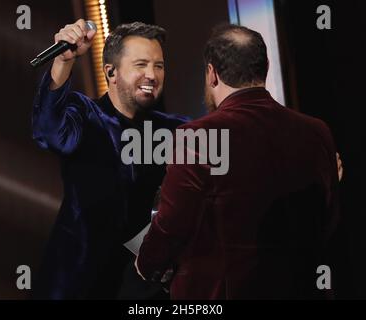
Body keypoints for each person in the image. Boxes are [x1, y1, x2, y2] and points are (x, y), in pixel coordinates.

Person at [135, 24, 340, 299]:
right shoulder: (318, 131)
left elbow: (171, 225)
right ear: (265, 67)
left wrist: (146, 263)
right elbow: (327, 223)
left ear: (212, 74)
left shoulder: (198, 137)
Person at [31, 19, 187, 299]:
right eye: (141, 65)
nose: (152, 75)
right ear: (111, 72)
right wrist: (63, 62)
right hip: (75, 285)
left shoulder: (173, 130)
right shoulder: (86, 116)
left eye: (159, 66)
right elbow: (48, 130)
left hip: (141, 290)